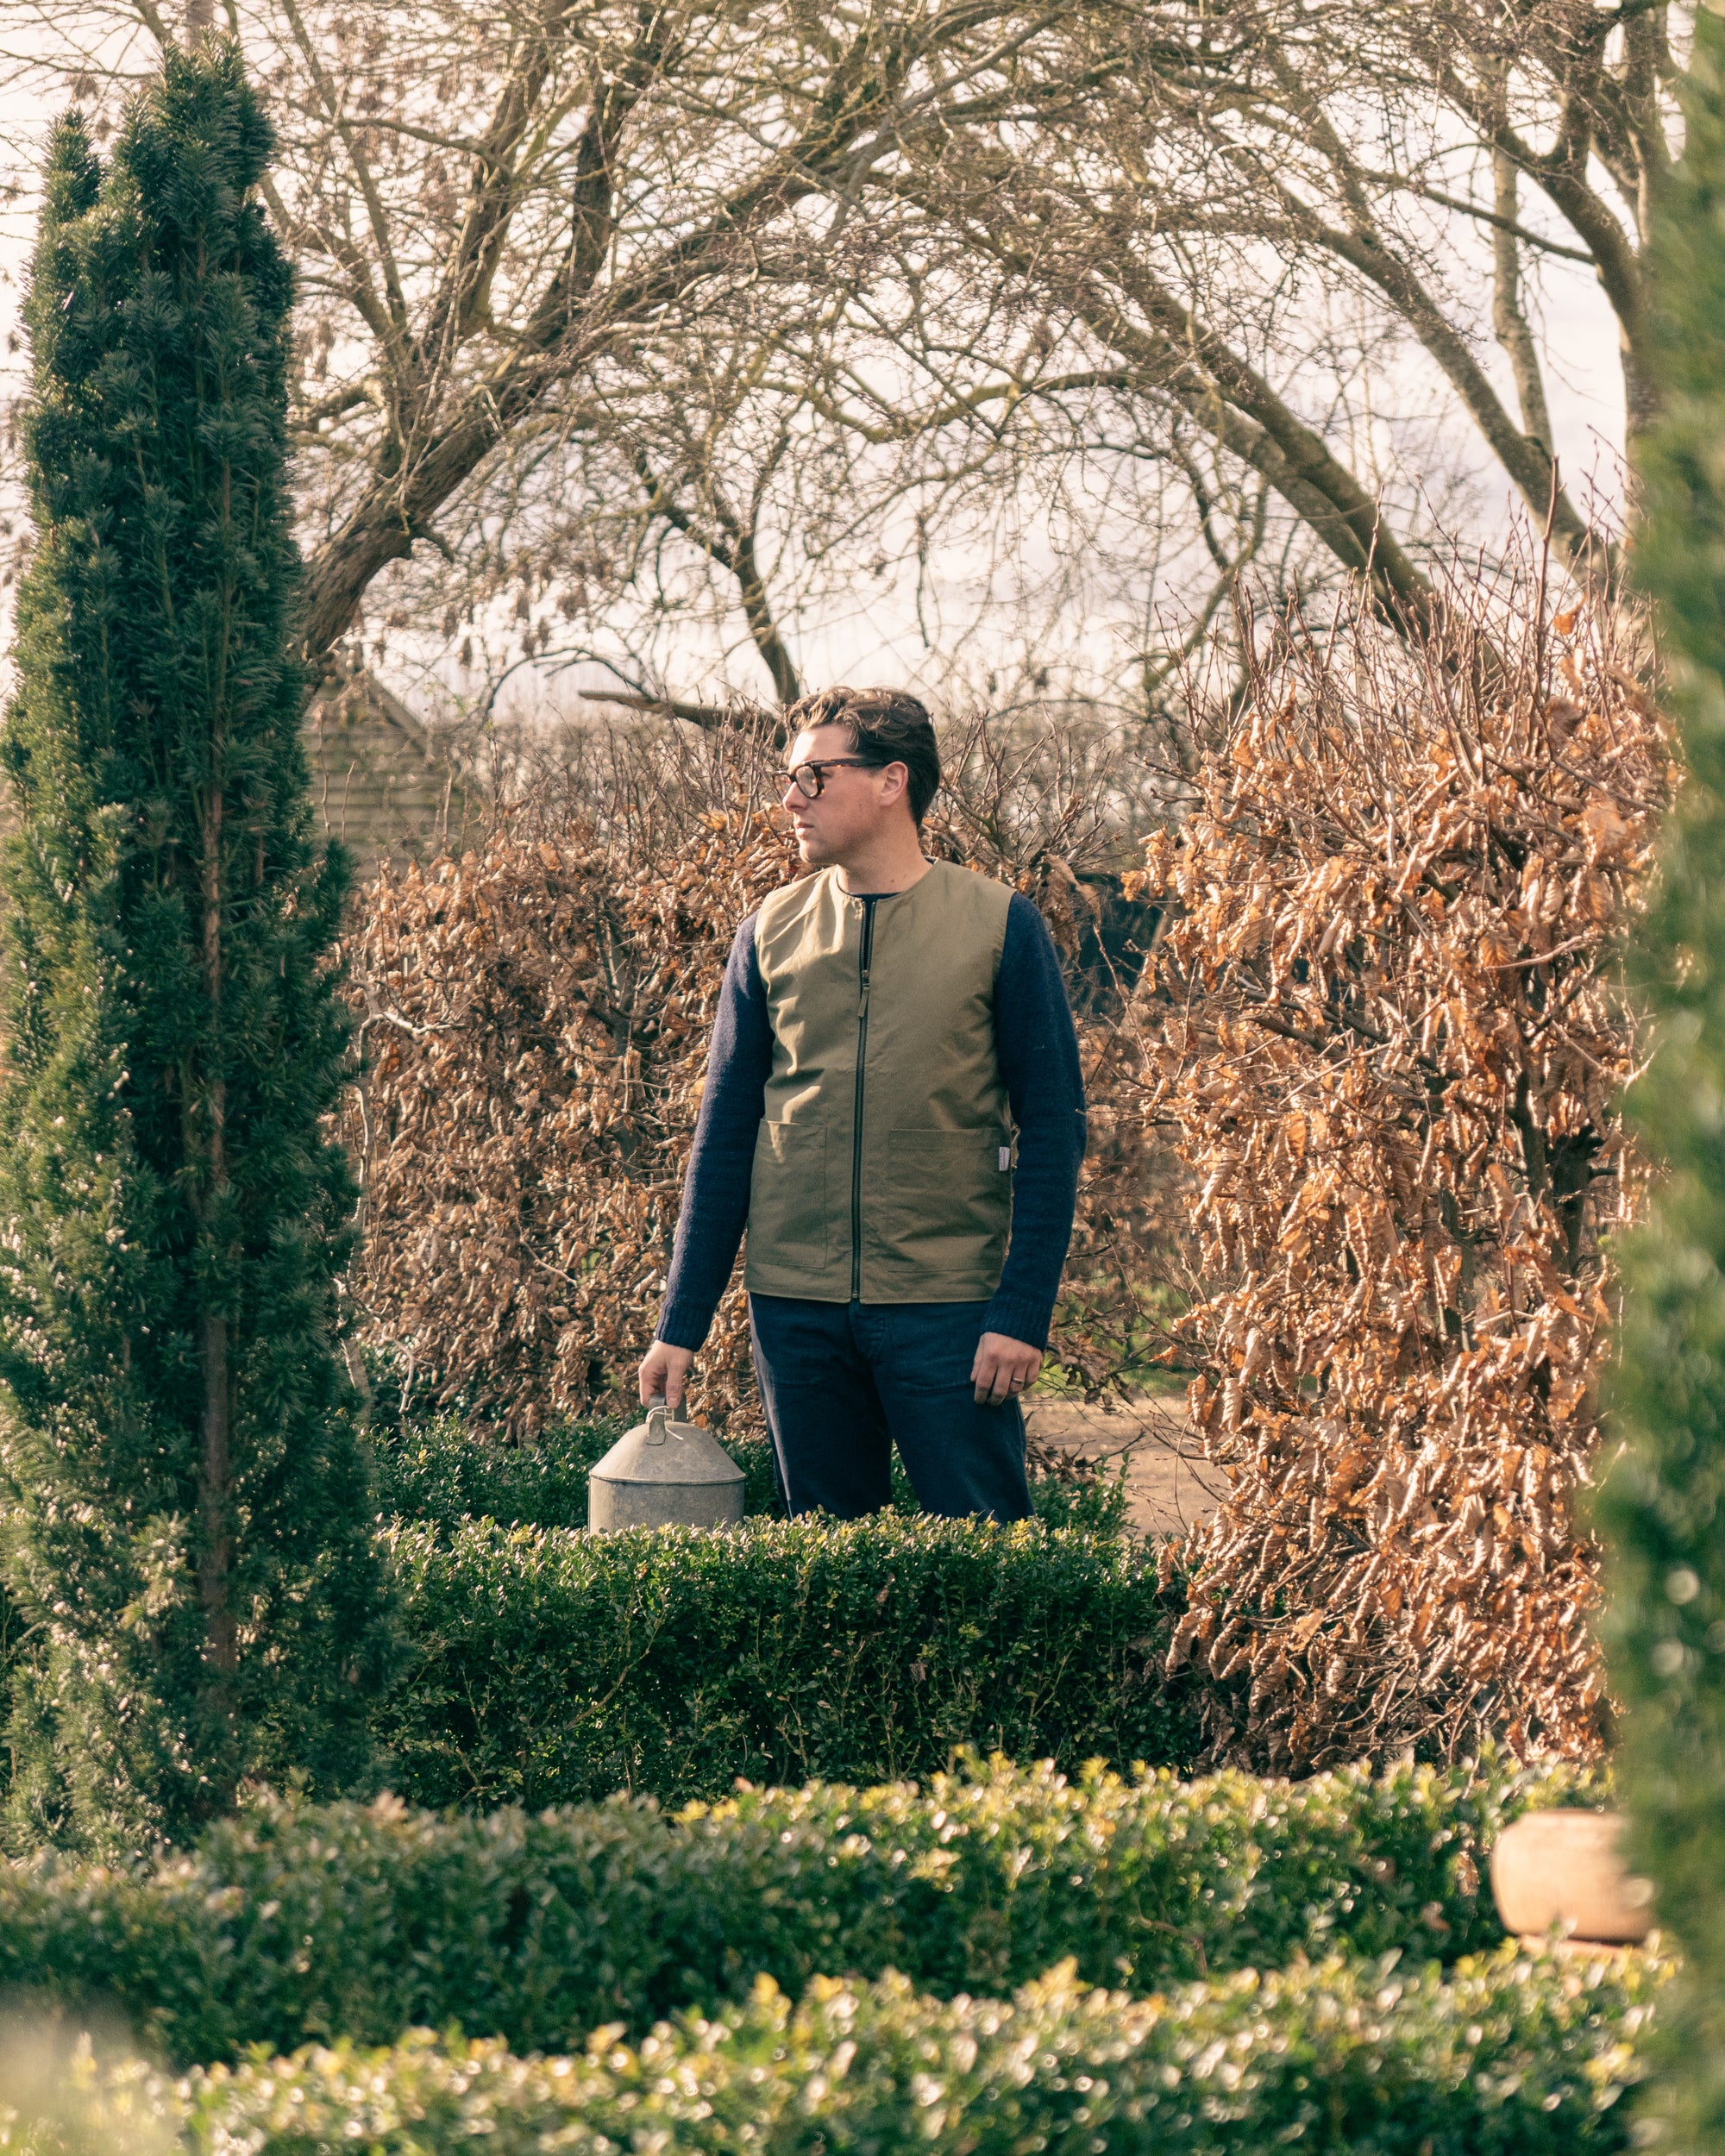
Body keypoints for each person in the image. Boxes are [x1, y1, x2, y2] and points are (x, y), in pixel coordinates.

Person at [637, 686, 1086, 1520]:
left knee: (986, 1562)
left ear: (891, 781)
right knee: (827, 1584)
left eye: (812, 776)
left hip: (947, 1309)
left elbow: (1054, 1135)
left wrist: (1021, 1312)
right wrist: (681, 1323)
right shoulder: (767, 933)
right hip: (795, 1314)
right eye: (787, 779)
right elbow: (724, 1140)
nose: (788, 799)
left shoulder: (998, 928)